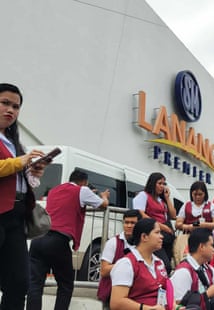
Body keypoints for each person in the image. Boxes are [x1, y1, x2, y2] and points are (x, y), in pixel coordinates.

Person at [27, 169, 110, 310]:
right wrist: (103, 196)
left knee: (35, 284)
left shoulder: (54, 190)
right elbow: (103, 204)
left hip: (38, 238)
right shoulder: (82, 190)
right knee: (65, 284)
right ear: (84, 182)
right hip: (58, 240)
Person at [0, 83, 48, 309]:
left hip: (16, 215)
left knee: (19, 282)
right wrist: (20, 162)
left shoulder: (13, 141)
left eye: (16, 106)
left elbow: (19, 179)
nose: (10, 110)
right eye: (5, 103)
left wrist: (33, 171)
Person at [110, 218, 174, 310]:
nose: (161, 236)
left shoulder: (159, 262)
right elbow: (116, 303)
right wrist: (146, 308)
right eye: (157, 233)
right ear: (144, 237)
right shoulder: (126, 264)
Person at [133, 172, 176, 274]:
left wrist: (167, 198)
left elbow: (173, 215)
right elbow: (141, 214)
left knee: (164, 266)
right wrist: (161, 226)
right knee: (165, 265)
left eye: (164, 184)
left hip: (166, 237)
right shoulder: (143, 195)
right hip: (153, 233)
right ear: (153, 183)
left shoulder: (161, 201)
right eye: (159, 183)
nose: (162, 186)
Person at [98, 209, 142, 306]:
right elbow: (104, 271)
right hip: (111, 293)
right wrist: (127, 264)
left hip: (134, 296)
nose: (129, 226)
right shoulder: (113, 242)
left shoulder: (143, 245)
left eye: (133, 223)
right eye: (126, 222)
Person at [170, 228, 214, 309]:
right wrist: (207, 295)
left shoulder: (209, 269)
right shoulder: (183, 272)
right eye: (211, 245)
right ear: (201, 247)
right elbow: (178, 304)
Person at [175, 181, 214, 265]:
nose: (197, 197)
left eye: (200, 194)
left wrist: (202, 225)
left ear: (205, 194)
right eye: (195, 194)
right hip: (189, 238)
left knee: (206, 261)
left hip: (206, 239)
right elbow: (178, 224)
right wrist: (189, 227)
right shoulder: (186, 205)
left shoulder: (211, 206)